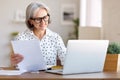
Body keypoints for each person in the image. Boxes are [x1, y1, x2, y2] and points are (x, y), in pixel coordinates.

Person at [11, 2, 66, 67]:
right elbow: (16, 66)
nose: (43, 22)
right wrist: (14, 62)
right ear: (30, 21)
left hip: (49, 76)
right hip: (28, 76)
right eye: (38, 19)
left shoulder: (56, 37)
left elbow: (66, 60)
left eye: (45, 17)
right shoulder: (21, 38)